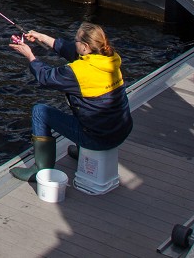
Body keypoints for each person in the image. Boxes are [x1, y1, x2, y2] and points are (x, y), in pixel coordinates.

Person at [8, 23, 133, 182]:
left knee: (40, 112)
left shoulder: (78, 72)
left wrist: (30, 56)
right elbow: (71, 51)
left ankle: (41, 170)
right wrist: (42, 37)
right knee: (90, 107)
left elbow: (46, 77)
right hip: (120, 130)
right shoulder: (109, 58)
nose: (74, 43)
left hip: (98, 137)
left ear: (86, 47)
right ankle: (83, 151)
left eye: (77, 40)